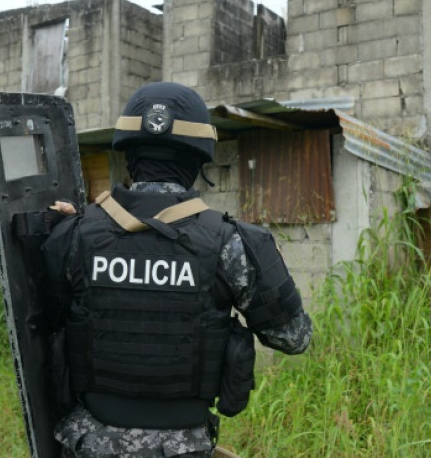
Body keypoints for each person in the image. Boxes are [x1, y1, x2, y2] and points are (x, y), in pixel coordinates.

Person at [40, 82, 313, 457]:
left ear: (129, 153)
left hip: (89, 444)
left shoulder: (74, 235)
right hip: (184, 448)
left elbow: (39, 325)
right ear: (198, 159)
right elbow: (293, 338)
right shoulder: (231, 242)